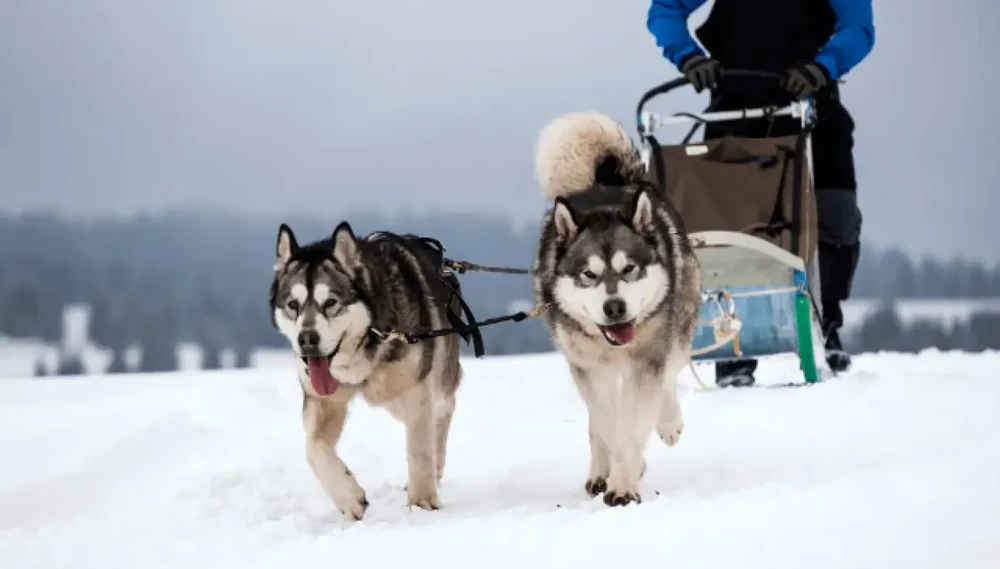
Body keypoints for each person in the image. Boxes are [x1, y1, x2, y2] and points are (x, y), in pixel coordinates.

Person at [646, 0, 875, 387]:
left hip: (814, 105)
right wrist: (689, 58)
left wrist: (823, 66)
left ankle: (828, 325)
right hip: (734, 108)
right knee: (728, 229)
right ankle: (731, 343)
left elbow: (859, 27)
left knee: (835, 215)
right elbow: (665, 10)